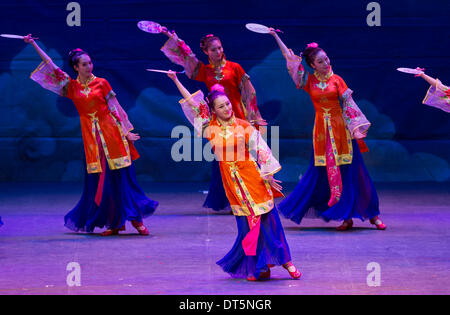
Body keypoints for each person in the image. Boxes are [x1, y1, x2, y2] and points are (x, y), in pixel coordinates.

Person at [167, 70, 301, 281]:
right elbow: (194, 105)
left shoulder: (244, 126)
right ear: (213, 111)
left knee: (268, 221)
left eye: (228, 104)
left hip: (252, 177)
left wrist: (267, 174)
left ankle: (287, 262)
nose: (227, 108)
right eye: (221, 107)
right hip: (232, 182)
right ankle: (258, 266)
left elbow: (262, 149)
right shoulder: (209, 128)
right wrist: (175, 80)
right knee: (247, 226)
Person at [24, 34, 158, 236]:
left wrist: (126, 131)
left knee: (123, 179)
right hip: (92, 140)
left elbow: (115, 108)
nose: (89, 66)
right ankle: (114, 223)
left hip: (112, 134)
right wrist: (34, 44)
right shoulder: (71, 87)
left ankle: (136, 220)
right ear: (76, 67)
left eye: (90, 63)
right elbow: (51, 65)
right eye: (84, 64)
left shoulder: (102, 83)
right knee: (101, 182)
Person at [269, 30, 386, 231]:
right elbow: (291, 62)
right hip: (322, 133)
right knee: (322, 173)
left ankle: (372, 215)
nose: (326, 63)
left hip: (342, 132)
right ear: (313, 65)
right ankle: (344, 216)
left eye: (326, 59)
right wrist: (275, 36)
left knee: (354, 173)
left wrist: (356, 128)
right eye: (321, 61)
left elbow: (348, 104)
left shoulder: (337, 80)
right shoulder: (309, 81)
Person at [159, 28, 266, 211]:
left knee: (246, 159)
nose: (218, 52)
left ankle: (252, 194)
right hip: (219, 122)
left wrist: (254, 116)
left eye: (220, 48)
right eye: (214, 50)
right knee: (223, 162)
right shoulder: (205, 71)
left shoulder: (234, 68)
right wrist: (171, 37)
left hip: (238, 118)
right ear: (206, 52)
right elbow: (187, 56)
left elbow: (249, 92)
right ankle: (228, 198)